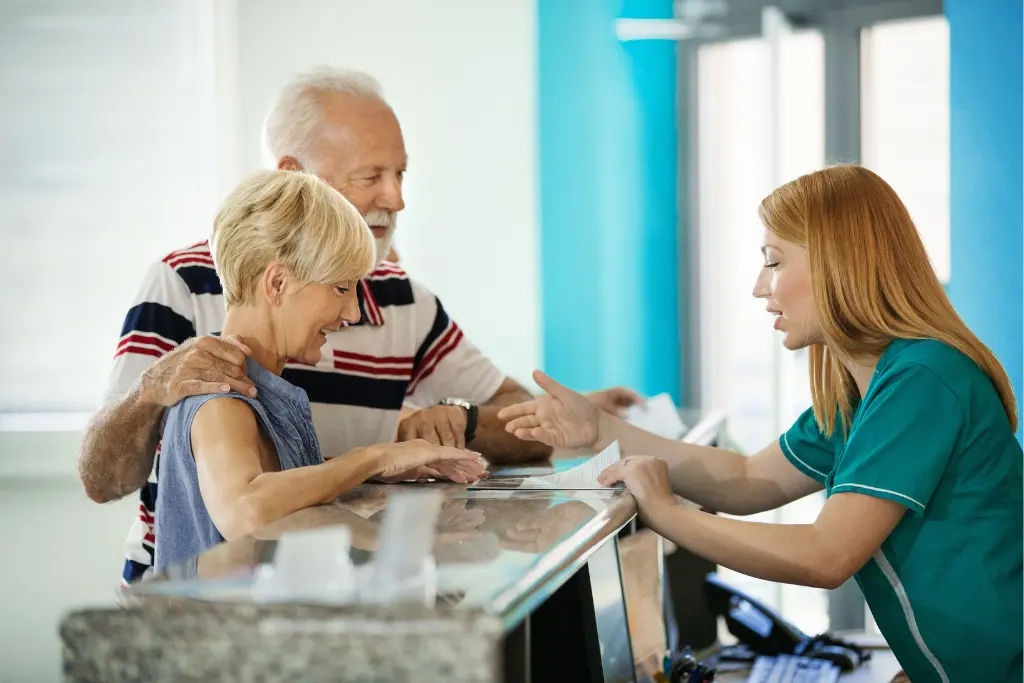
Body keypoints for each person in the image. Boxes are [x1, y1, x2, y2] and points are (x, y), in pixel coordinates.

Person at [76, 66, 638, 584]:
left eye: (400, 174)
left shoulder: (403, 301)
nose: (396, 198)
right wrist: (151, 391)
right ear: (294, 178)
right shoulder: (184, 294)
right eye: (371, 175)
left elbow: (513, 419)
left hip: (321, 585)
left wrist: (452, 427)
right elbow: (157, 491)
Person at [498, 165, 1023, 683]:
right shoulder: (865, 395)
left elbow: (827, 555)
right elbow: (748, 479)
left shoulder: (921, 380)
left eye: (773, 262)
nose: (758, 287)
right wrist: (598, 430)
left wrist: (665, 513)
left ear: (840, 265)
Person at [156, 169, 486, 571]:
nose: (354, 312)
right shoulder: (220, 396)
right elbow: (245, 508)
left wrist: (376, 475)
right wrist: (372, 458)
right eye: (341, 288)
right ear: (277, 283)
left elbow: (285, 507)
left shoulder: (270, 393)